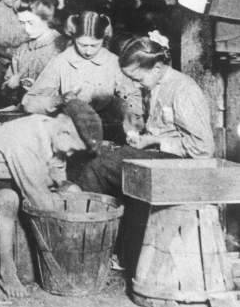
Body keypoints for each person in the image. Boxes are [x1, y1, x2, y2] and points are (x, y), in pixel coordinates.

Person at [0, 100, 101, 297]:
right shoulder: (24, 137)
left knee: (73, 190)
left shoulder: (55, 133)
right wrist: (68, 231)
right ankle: (7, 271)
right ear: (64, 132)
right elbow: (37, 198)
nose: (70, 154)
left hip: (22, 176)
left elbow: (57, 173)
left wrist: (70, 192)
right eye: (72, 149)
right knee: (9, 200)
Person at [77, 34, 214, 197]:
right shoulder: (154, 85)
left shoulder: (183, 90)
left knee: (99, 165)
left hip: (182, 167)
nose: (135, 84)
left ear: (156, 68)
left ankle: (87, 216)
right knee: (95, 153)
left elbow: (204, 149)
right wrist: (142, 138)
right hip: (160, 157)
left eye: (137, 78)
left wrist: (157, 141)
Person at [21, 11, 141, 138]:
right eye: (82, 45)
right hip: (70, 132)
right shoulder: (61, 61)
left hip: (108, 130)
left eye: (95, 45)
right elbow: (29, 103)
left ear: (103, 39)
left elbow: (134, 98)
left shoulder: (113, 62)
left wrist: (128, 110)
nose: (88, 52)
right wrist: (59, 100)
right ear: (73, 38)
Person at [2, 0, 68, 103]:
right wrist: (9, 87)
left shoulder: (63, 47)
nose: (26, 29)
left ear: (46, 18)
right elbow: (6, 90)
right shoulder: (22, 50)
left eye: (30, 22)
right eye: (22, 23)